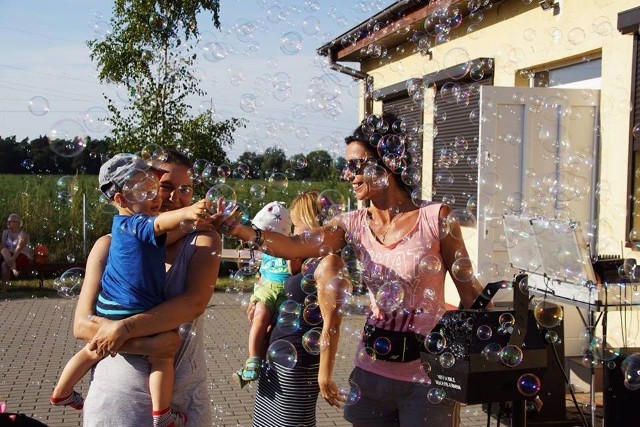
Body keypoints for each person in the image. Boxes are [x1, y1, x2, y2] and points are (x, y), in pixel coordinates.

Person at [224, 113, 486, 427]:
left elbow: (471, 293)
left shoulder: (436, 218)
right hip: (371, 375)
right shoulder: (352, 224)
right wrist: (239, 230)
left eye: (355, 165)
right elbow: (294, 245)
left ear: (388, 162)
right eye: (346, 165)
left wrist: (508, 359)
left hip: (427, 379)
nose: (348, 174)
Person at [50, 153, 213, 426]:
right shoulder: (109, 244)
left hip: (186, 400)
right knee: (162, 347)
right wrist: (151, 343)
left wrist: (122, 331)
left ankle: (63, 392)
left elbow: (193, 303)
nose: (173, 197)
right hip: (117, 403)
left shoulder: (202, 240)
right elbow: (82, 326)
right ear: (123, 197)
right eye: (165, 186)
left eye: (186, 189)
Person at [252, 190, 325, 427]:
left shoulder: (326, 264)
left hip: (299, 361)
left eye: (295, 225)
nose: (291, 233)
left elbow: (331, 321)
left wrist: (325, 372)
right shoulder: (302, 261)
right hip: (277, 351)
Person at [234, 201, 294, 388]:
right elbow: (261, 275)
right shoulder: (265, 250)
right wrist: (255, 295)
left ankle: (260, 366)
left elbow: (295, 271)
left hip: (286, 292)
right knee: (260, 317)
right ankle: (252, 360)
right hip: (267, 289)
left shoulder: (292, 246)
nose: (261, 239)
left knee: (272, 332)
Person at [1, 213, 32, 293]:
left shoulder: (23, 234)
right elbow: (3, 247)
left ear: (18, 223)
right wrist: (11, 260)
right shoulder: (5, 233)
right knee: (4, 254)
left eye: (12, 221)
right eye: (9, 221)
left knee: (5, 264)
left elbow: (19, 248)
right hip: (8, 256)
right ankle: (14, 270)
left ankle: (4, 289)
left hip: (20, 256)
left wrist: (12, 259)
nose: (9, 223)